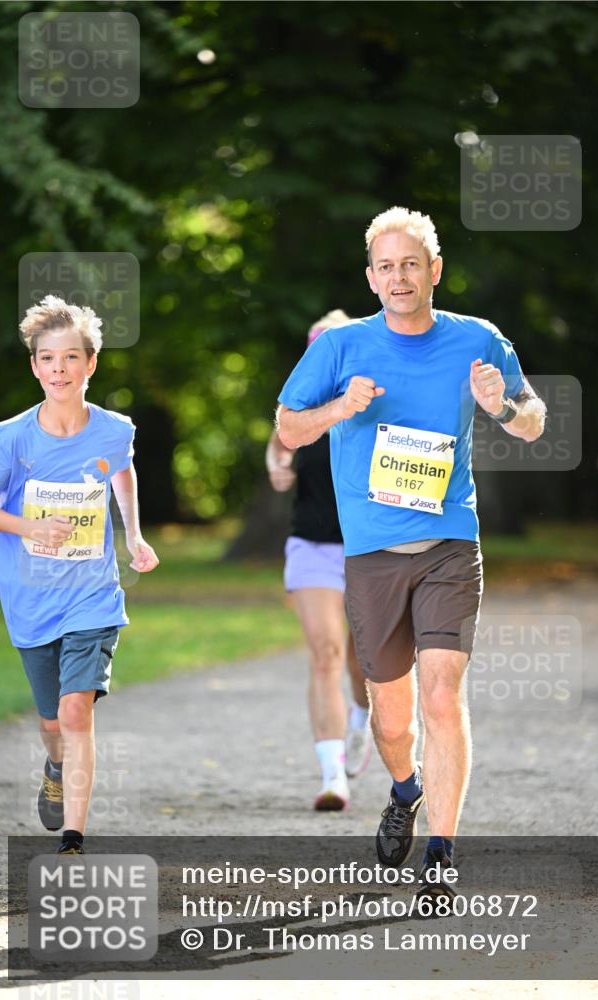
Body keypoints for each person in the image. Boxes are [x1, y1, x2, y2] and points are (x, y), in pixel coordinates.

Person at [276, 206, 545, 898]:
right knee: (392, 720)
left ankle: (441, 855)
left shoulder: (477, 340)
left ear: (435, 270)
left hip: (450, 544)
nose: (399, 277)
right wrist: (339, 409)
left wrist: (502, 407)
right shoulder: (340, 347)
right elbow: (288, 427)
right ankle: (404, 788)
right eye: (386, 267)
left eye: (411, 265)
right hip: (372, 555)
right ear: (371, 278)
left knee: (441, 696)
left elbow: (533, 421)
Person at [0, 295, 159, 855]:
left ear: (91, 363)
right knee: (51, 723)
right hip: (31, 598)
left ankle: (73, 838)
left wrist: (133, 534)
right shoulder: (10, 439)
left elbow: (120, 471)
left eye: (70, 358)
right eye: (47, 358)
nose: (58, 369)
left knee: (74, 708)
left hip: (92, 594)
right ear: (34, 366)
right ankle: (56, 766)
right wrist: (27, 527)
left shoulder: (113, 430)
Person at [267, 310, 372, 811]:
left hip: (369, 547)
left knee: (363, 662)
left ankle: (361, 719)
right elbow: (278, 444)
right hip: (312, 545)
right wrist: (277, 468)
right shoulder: (300, 407)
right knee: (327, 653)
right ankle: (333, 777)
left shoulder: (372, 399)